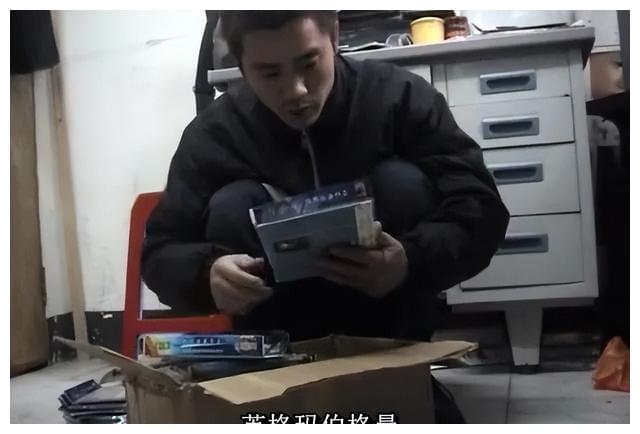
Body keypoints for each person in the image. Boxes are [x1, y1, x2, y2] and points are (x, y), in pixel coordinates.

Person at [141, 11, 509, 421]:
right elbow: (160, 251)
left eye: (308, 64)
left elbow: (482, 210)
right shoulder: (215, 134)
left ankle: (403, 376)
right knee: (232, 203)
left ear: (333, 36)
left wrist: (410, 260)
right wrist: (206, 274)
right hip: (277, 355)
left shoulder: (398, 97)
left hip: (391, 339)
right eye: (269, 73)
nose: (296, 91)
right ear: (240, 65)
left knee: (402, 182)